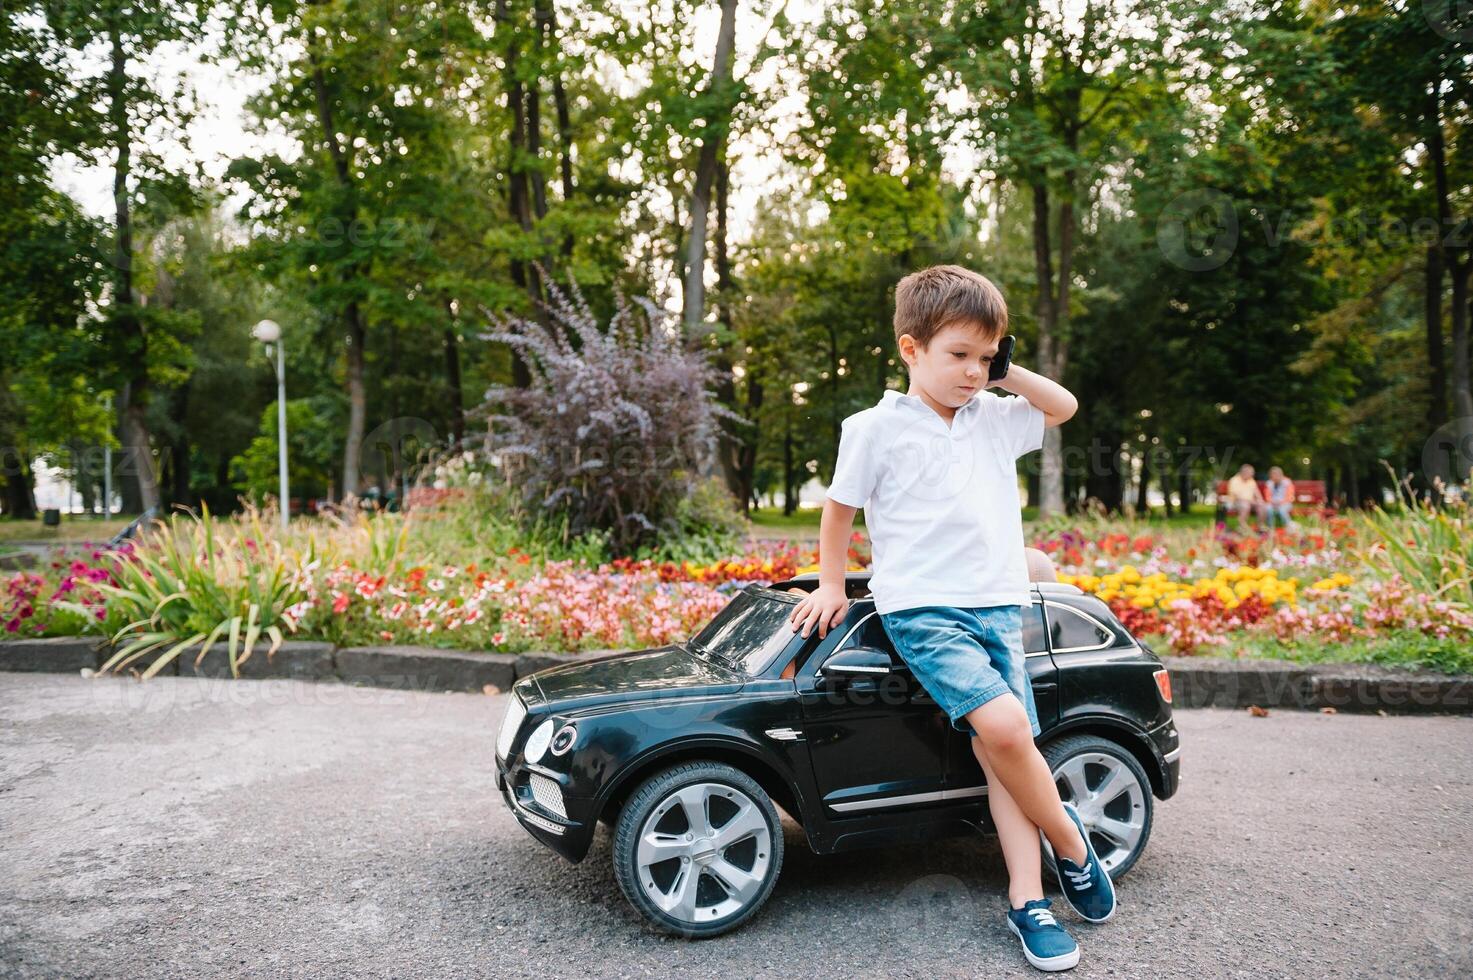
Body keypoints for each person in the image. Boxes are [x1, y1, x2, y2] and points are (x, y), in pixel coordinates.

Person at [790, 265, 1112, 973]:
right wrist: (831, 583)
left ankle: (1027, 901)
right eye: (958, 355)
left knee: (1007, 760)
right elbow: (839, 507)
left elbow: (1063, 406)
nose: (973, 371)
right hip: (924, 610)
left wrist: (1007, 371)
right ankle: (1071, 842)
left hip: (999, 603)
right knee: (1002, 729)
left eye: (985, 355)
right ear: (911, 349)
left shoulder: (994, 418)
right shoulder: (873, 428)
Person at [1225, 464, 1265, 529]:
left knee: (1262, 506)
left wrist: (1260, 500)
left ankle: (1260, 526)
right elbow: (1236, 495)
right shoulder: (1234, 480)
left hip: (1251, 502)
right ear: (1244, 472)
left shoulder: (1251, 481)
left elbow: (1257, 492)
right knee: (1245, 505)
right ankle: (1242, 527)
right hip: (1237, 502)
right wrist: (1249, 501)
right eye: (1251, 473)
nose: (1252, 475)